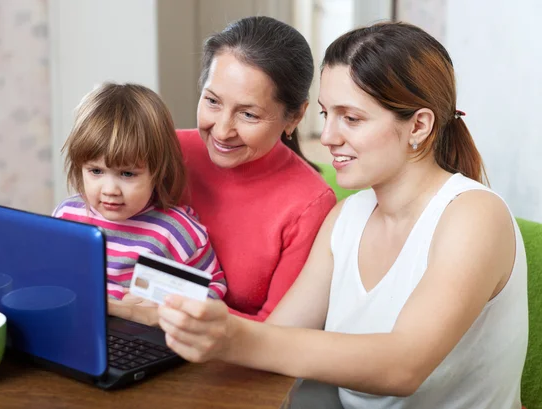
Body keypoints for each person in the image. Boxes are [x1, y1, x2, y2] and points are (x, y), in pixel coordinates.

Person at [154, 22, 528, 409]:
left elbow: (403, 366)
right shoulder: (346, 218)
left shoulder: (474, 216)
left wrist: (236, 336)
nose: (329, 136)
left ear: (419, 125)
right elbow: (278, 337)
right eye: (325, 113)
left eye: (351, 118)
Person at [176, 16, 337, 321]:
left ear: (294, 117)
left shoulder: (309, 204)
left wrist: (167, 314)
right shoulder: (162, 152)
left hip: (229, 362)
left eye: (248, 114)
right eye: (212, 101)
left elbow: (276, 333)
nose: (222, 131)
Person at [53, 83, 227, 322]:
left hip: (145, 337)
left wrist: (165, 305)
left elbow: (213, 292)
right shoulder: (66, 216)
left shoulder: (176, 232)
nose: (110, 190)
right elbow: (54, 277)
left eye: (127, 174)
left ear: (157, 172)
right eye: (95, 171)